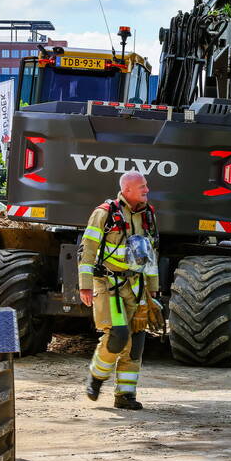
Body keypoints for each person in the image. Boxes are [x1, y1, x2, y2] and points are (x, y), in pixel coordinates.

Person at [79, 171, 159, 409]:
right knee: (118, 335)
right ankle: (96, 376)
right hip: (109, 285)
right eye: (142, 187)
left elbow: (150, 254)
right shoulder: (104, 213)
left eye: (146, 186)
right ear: (127, 191)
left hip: (137, 286)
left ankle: (125, 396)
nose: (147, 190)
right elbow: (88, 251)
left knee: (136, 340)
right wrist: (84, 285)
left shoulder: (148, 215)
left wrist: (153, 288)